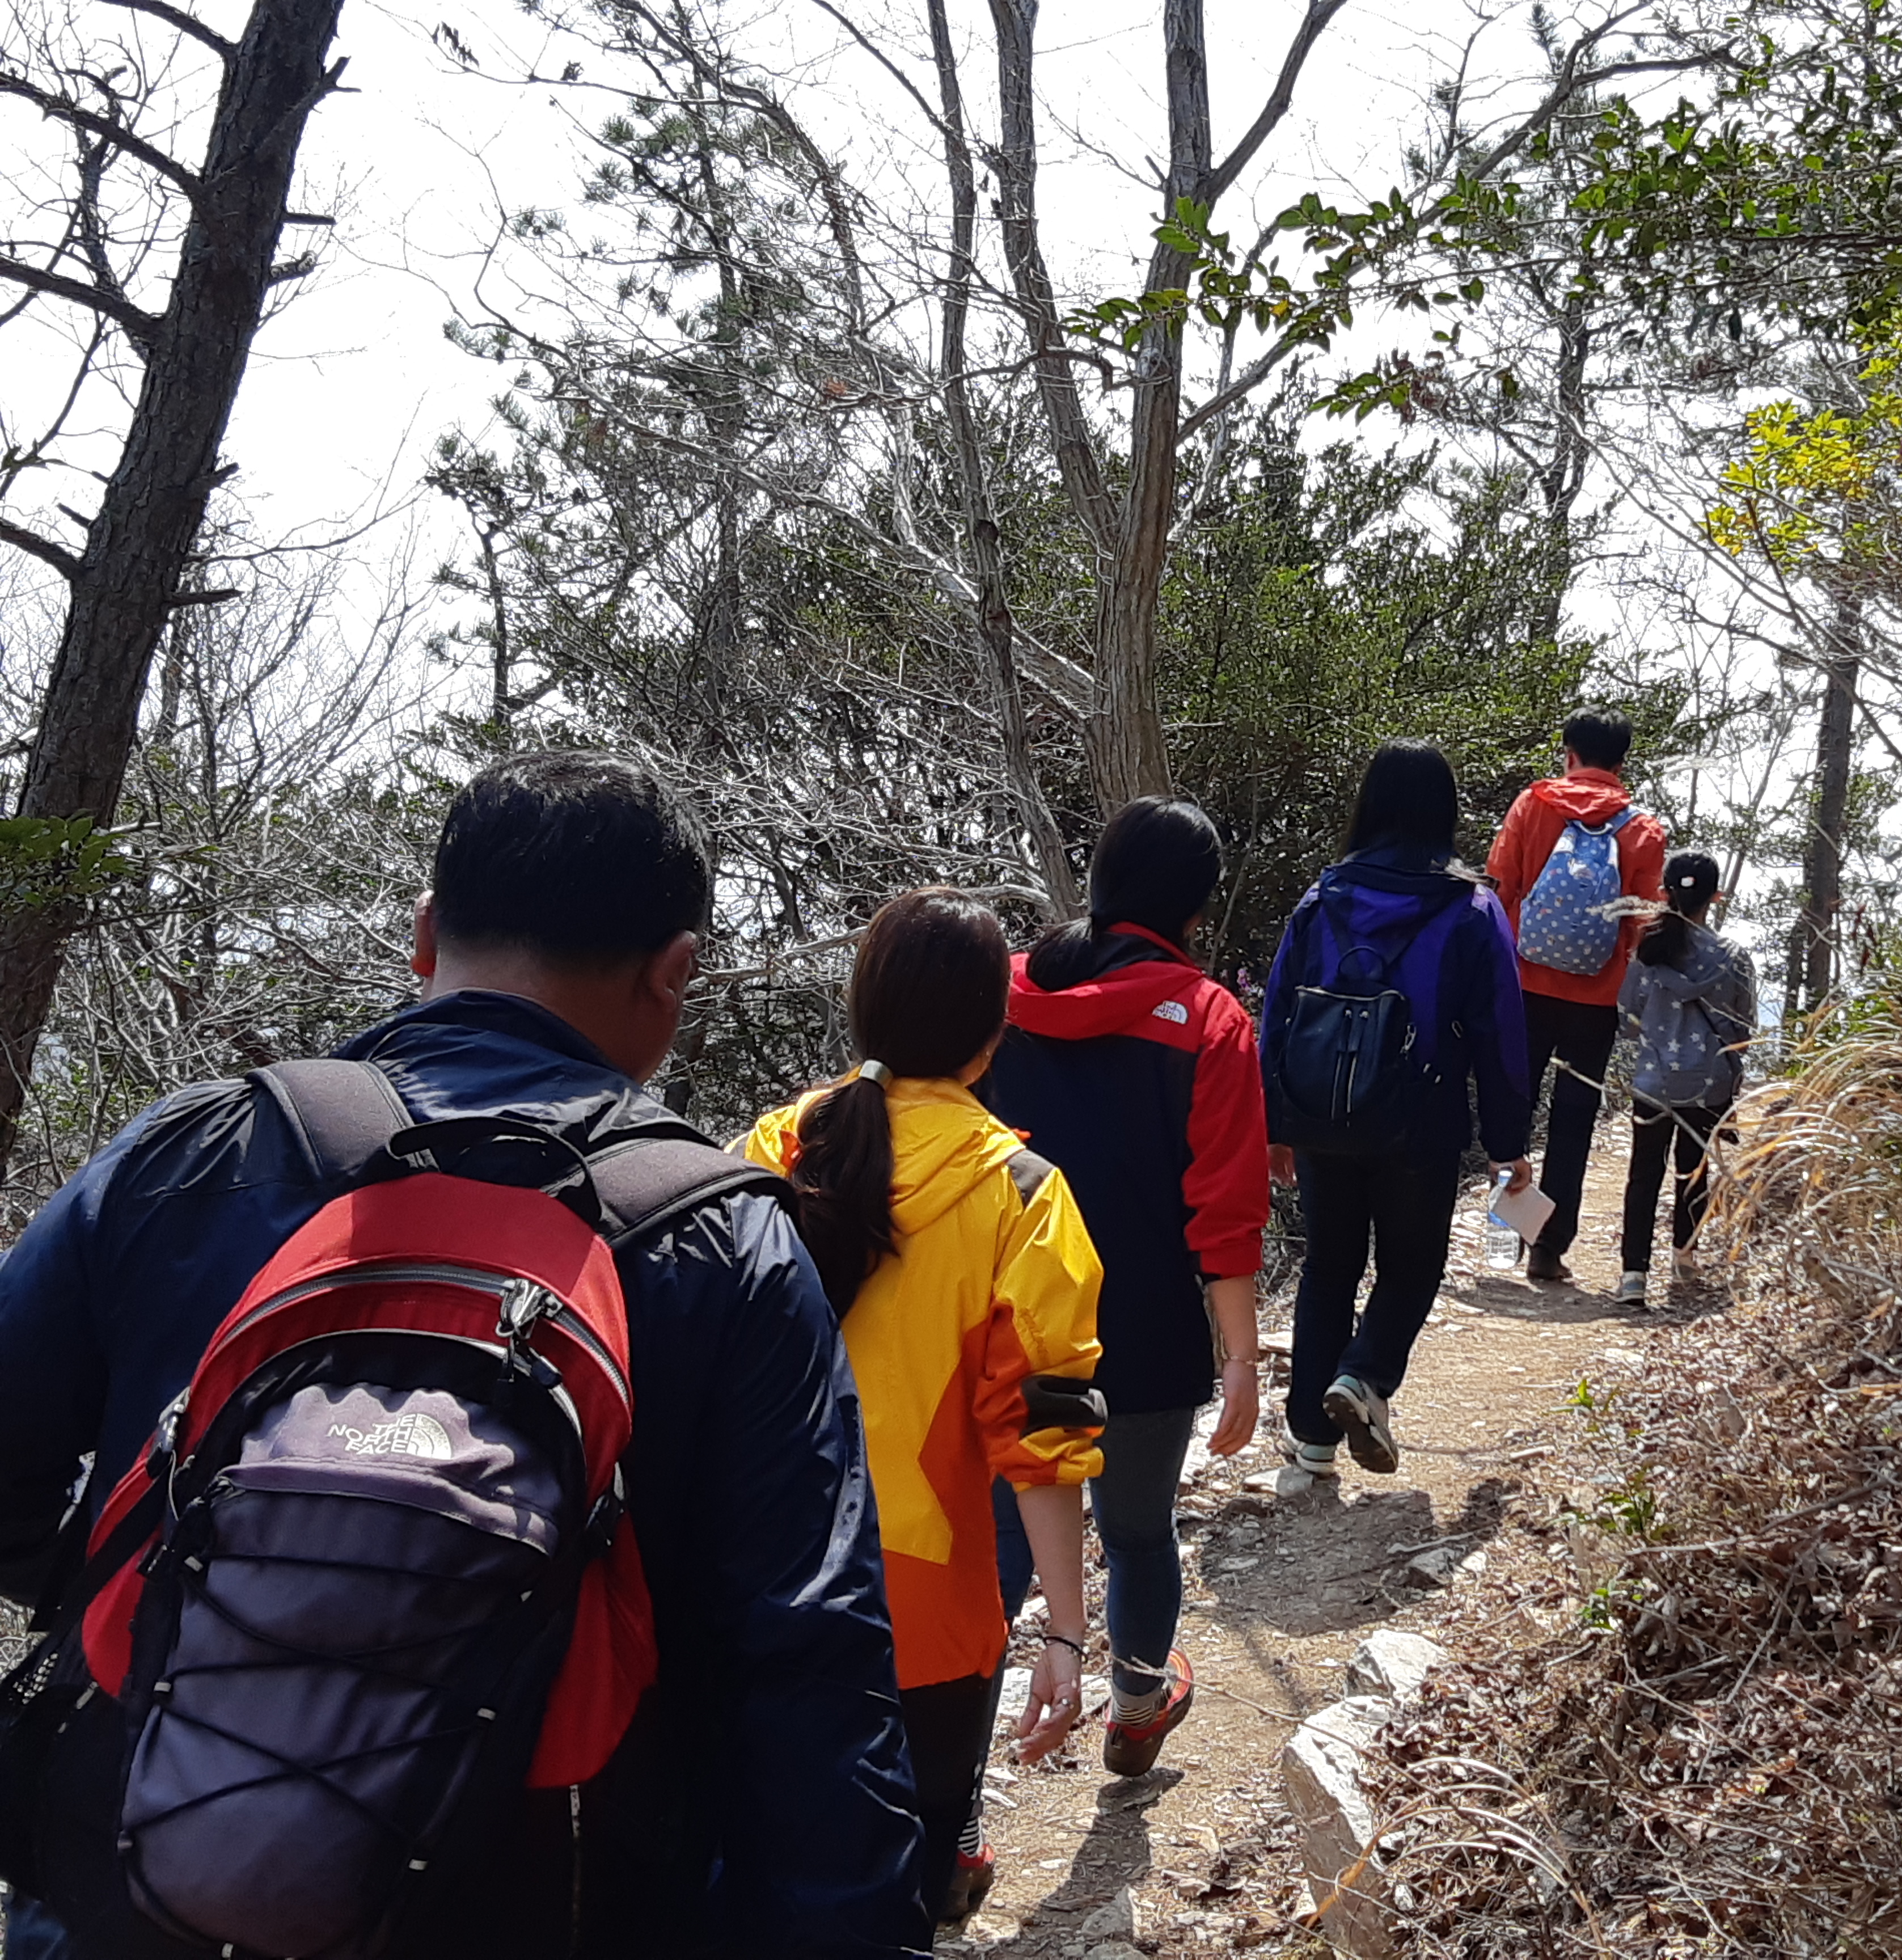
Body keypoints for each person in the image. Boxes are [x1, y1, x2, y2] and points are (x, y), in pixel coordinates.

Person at [0, 752, 928, 1957]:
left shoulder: (198, 1147)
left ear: (426, 932)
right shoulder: (724, 1237)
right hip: (545, 1889)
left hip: (141, 1877)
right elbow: (808, 1661)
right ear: (676, 974)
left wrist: (186, 1575)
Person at [739, 888, 1104, 1927]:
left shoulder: (770, 1151)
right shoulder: (1022, 1194)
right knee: (911, 1876)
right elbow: (1042, 1434)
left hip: (753, 1576)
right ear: (995, 1036)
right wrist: (1066, 1639)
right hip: (928, 1611)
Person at [981, 798, 1267, 1779]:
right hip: (1142, 1328)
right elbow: (1223, 1208)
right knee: (1137, 1528)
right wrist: (1240, 1358)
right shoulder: (1210, 1020)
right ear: (1194, 904)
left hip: (1004, 1322)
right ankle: (1138, 1702)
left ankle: (957, 1783)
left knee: (999, 1541)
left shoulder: (1002, 993)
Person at [1261, 740, 1535, 1478]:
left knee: (1329, 1268)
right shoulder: (1472, 910)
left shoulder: (1322, 900)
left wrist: (1274, 1126)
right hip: (1422, 1119)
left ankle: (1311, 1439)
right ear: (1444, 811)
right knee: (1411, 1266)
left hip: (1323, 1116)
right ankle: (1366, 1375)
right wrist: (1509, 1140)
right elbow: (1502, 1032)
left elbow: (1279, 1014)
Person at [1485, 709, 1668, 1283]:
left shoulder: (1531, 806)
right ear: (1620, 763)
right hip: (1596, 999)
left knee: (1511, 1108)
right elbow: (1643, 924)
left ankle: (1501, 1239)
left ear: (1568, 754)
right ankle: (1548, 1248)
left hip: (1523, 988)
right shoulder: (1643, 830)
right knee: (1574, 1121)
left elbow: (1498, 889)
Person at [1614, 851, 1757, 1304]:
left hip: (1655, 1082)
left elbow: (1627, 1017)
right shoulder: (1733, 957)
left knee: (1644, 1173)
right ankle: (1685, 1258)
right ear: (1716, 896)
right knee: (1693, 1171)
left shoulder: (1648, 950)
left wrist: (1658, 1037)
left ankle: (1633, 1276)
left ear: (1665, 893)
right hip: (1708, 1081)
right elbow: (1743, 1027)